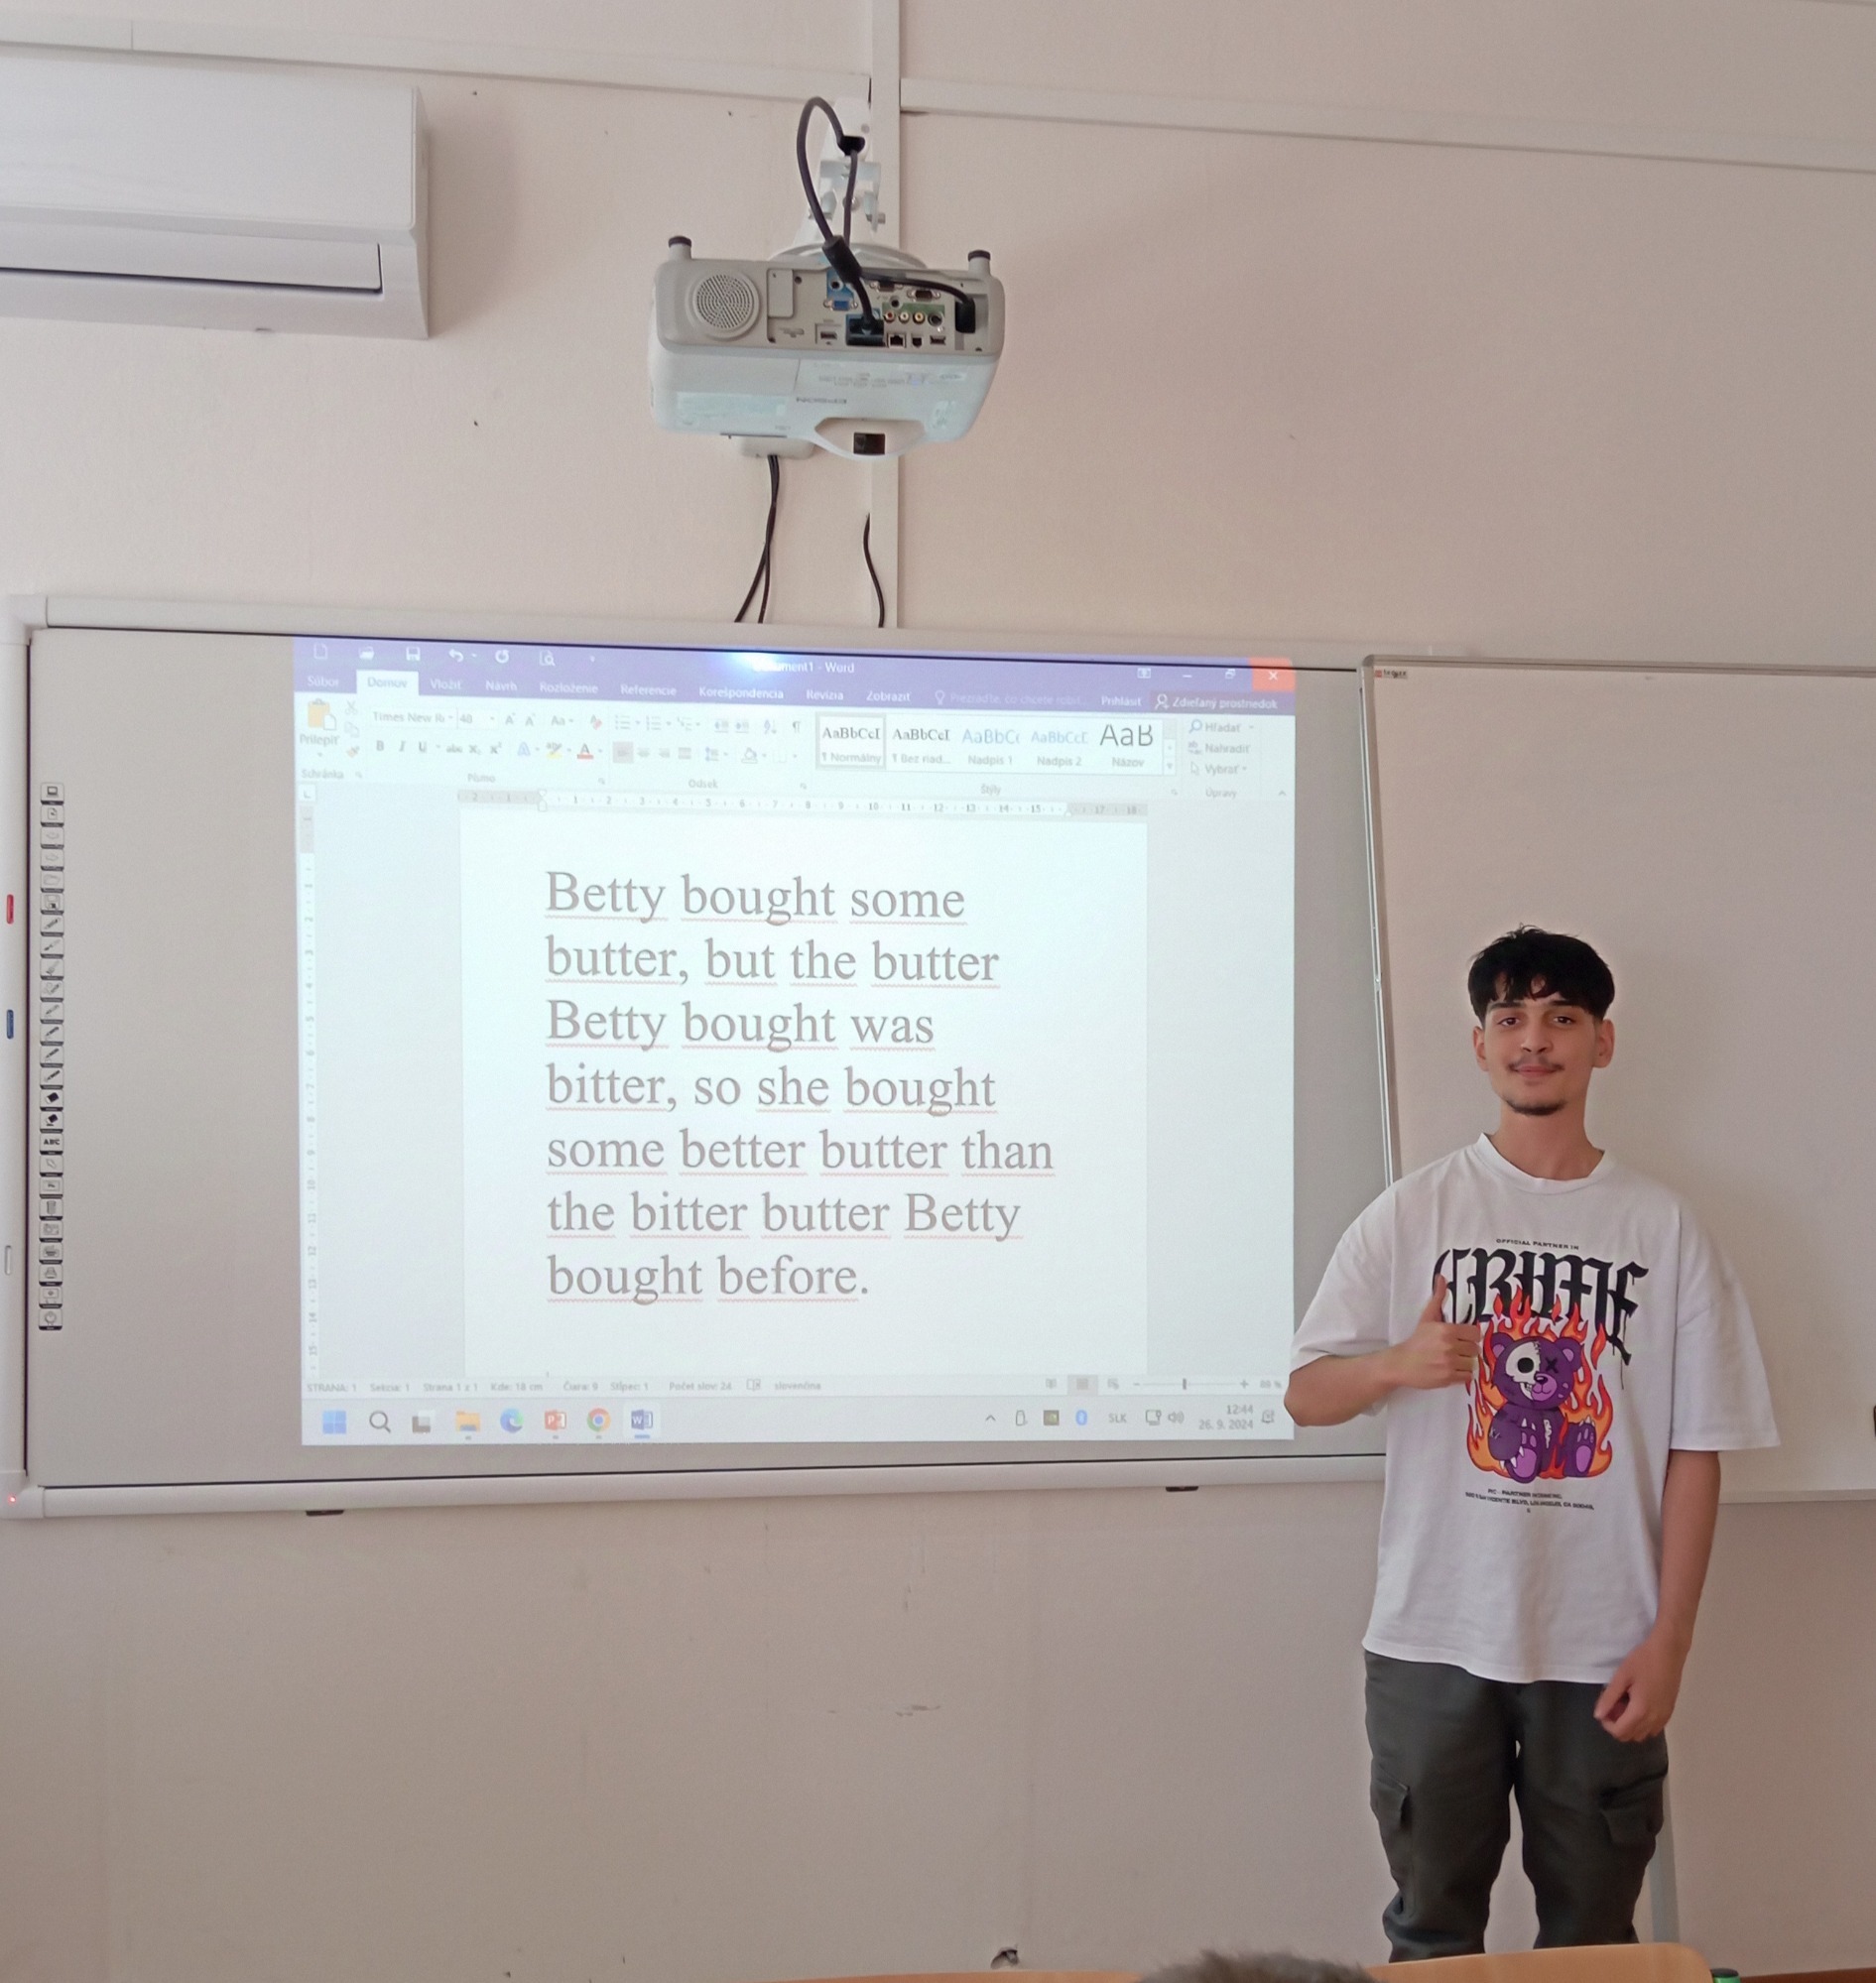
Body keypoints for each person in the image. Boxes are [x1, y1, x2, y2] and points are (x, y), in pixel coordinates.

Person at [1285, 927, 1777, 1958]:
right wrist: (1394, 1364)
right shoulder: (1412, 1212)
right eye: (1509, 1017)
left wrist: (1670, 1640)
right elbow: (1306, 1394)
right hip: (1432, 1633)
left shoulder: (1665, 1229)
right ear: (1479, 1045)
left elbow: (1698, 1449)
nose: (1534, 1039)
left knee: (1592, 1939)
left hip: (1601, 1641)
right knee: (1430, 1929)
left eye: (1561, 1016)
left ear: (1603, 1041)